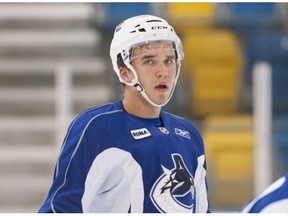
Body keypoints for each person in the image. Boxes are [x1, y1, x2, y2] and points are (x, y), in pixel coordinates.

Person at [38, 14, 210, 213]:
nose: (163, 72)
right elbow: (60, 208)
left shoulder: (189, 135)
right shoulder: (97, 128)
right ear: (124, 72)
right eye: (149, 61)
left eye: (169, 60)